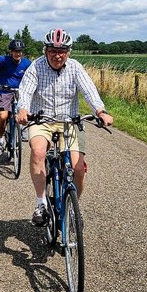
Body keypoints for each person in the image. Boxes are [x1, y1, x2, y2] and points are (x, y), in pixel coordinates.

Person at [16, 28, 114, 226]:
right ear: (45, 50)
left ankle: (72, 206)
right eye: (52, 50)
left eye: (62, 51)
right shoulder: (36, 67)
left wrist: (100, 111)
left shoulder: (75, 67)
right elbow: (25, 91)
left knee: (78, 168)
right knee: (38, 152)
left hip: (69, 122)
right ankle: (41, 202)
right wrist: (23, 109)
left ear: (68, 52)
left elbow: (89, 90)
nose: (57, 55)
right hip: (41, 120)